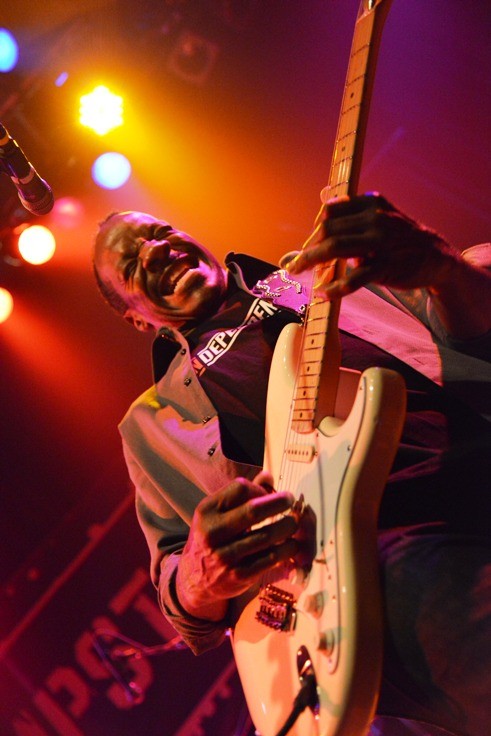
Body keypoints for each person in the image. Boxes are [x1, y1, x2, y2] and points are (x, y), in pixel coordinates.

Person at [93, 193, 491, 736]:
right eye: (131, 262)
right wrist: (199, 576)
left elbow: (473, 325)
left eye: (160, 232)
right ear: (135, 319)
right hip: (362, 559)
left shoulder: (323, 272)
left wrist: (444, 268)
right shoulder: (151, 424)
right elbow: (176, 584)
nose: (155, 250)